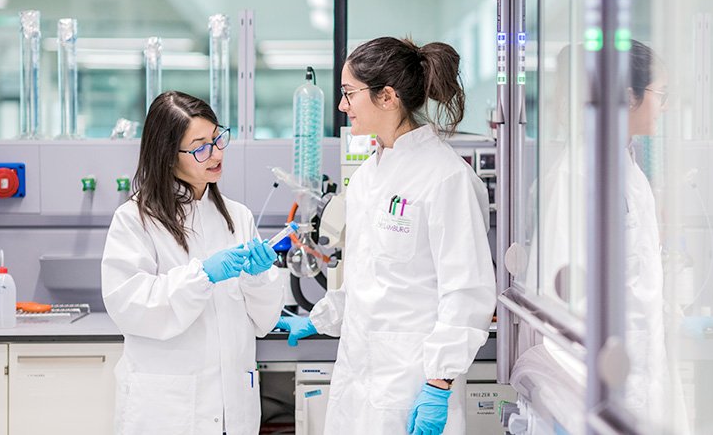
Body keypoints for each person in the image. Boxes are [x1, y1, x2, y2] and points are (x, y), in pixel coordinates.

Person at [276, 37, 496, 434]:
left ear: (387, 97)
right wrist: (320, 317)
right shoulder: (368, 177)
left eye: (348, 94)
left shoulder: (446, 178)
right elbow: (371, 280)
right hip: (357, 384)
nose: (342, 106)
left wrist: (439, 384)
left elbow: (467, 292)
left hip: (412, 389)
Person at [102, 91, 288, 435]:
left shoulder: (238, 217)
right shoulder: (135, 220)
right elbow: (129, 304)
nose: (216, 153)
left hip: (233, 409)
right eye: (200, 146)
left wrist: (259, 278)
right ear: (168, 156)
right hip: (168, 412)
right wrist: (202, 275)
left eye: (217, 138)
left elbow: (264, 321)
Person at [623, 40, 689, 433]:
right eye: (661, 95)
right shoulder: (590, 174)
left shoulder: (631, 171)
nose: (665, 106)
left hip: (641, 371)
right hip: (617, 378)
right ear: (630, 96)